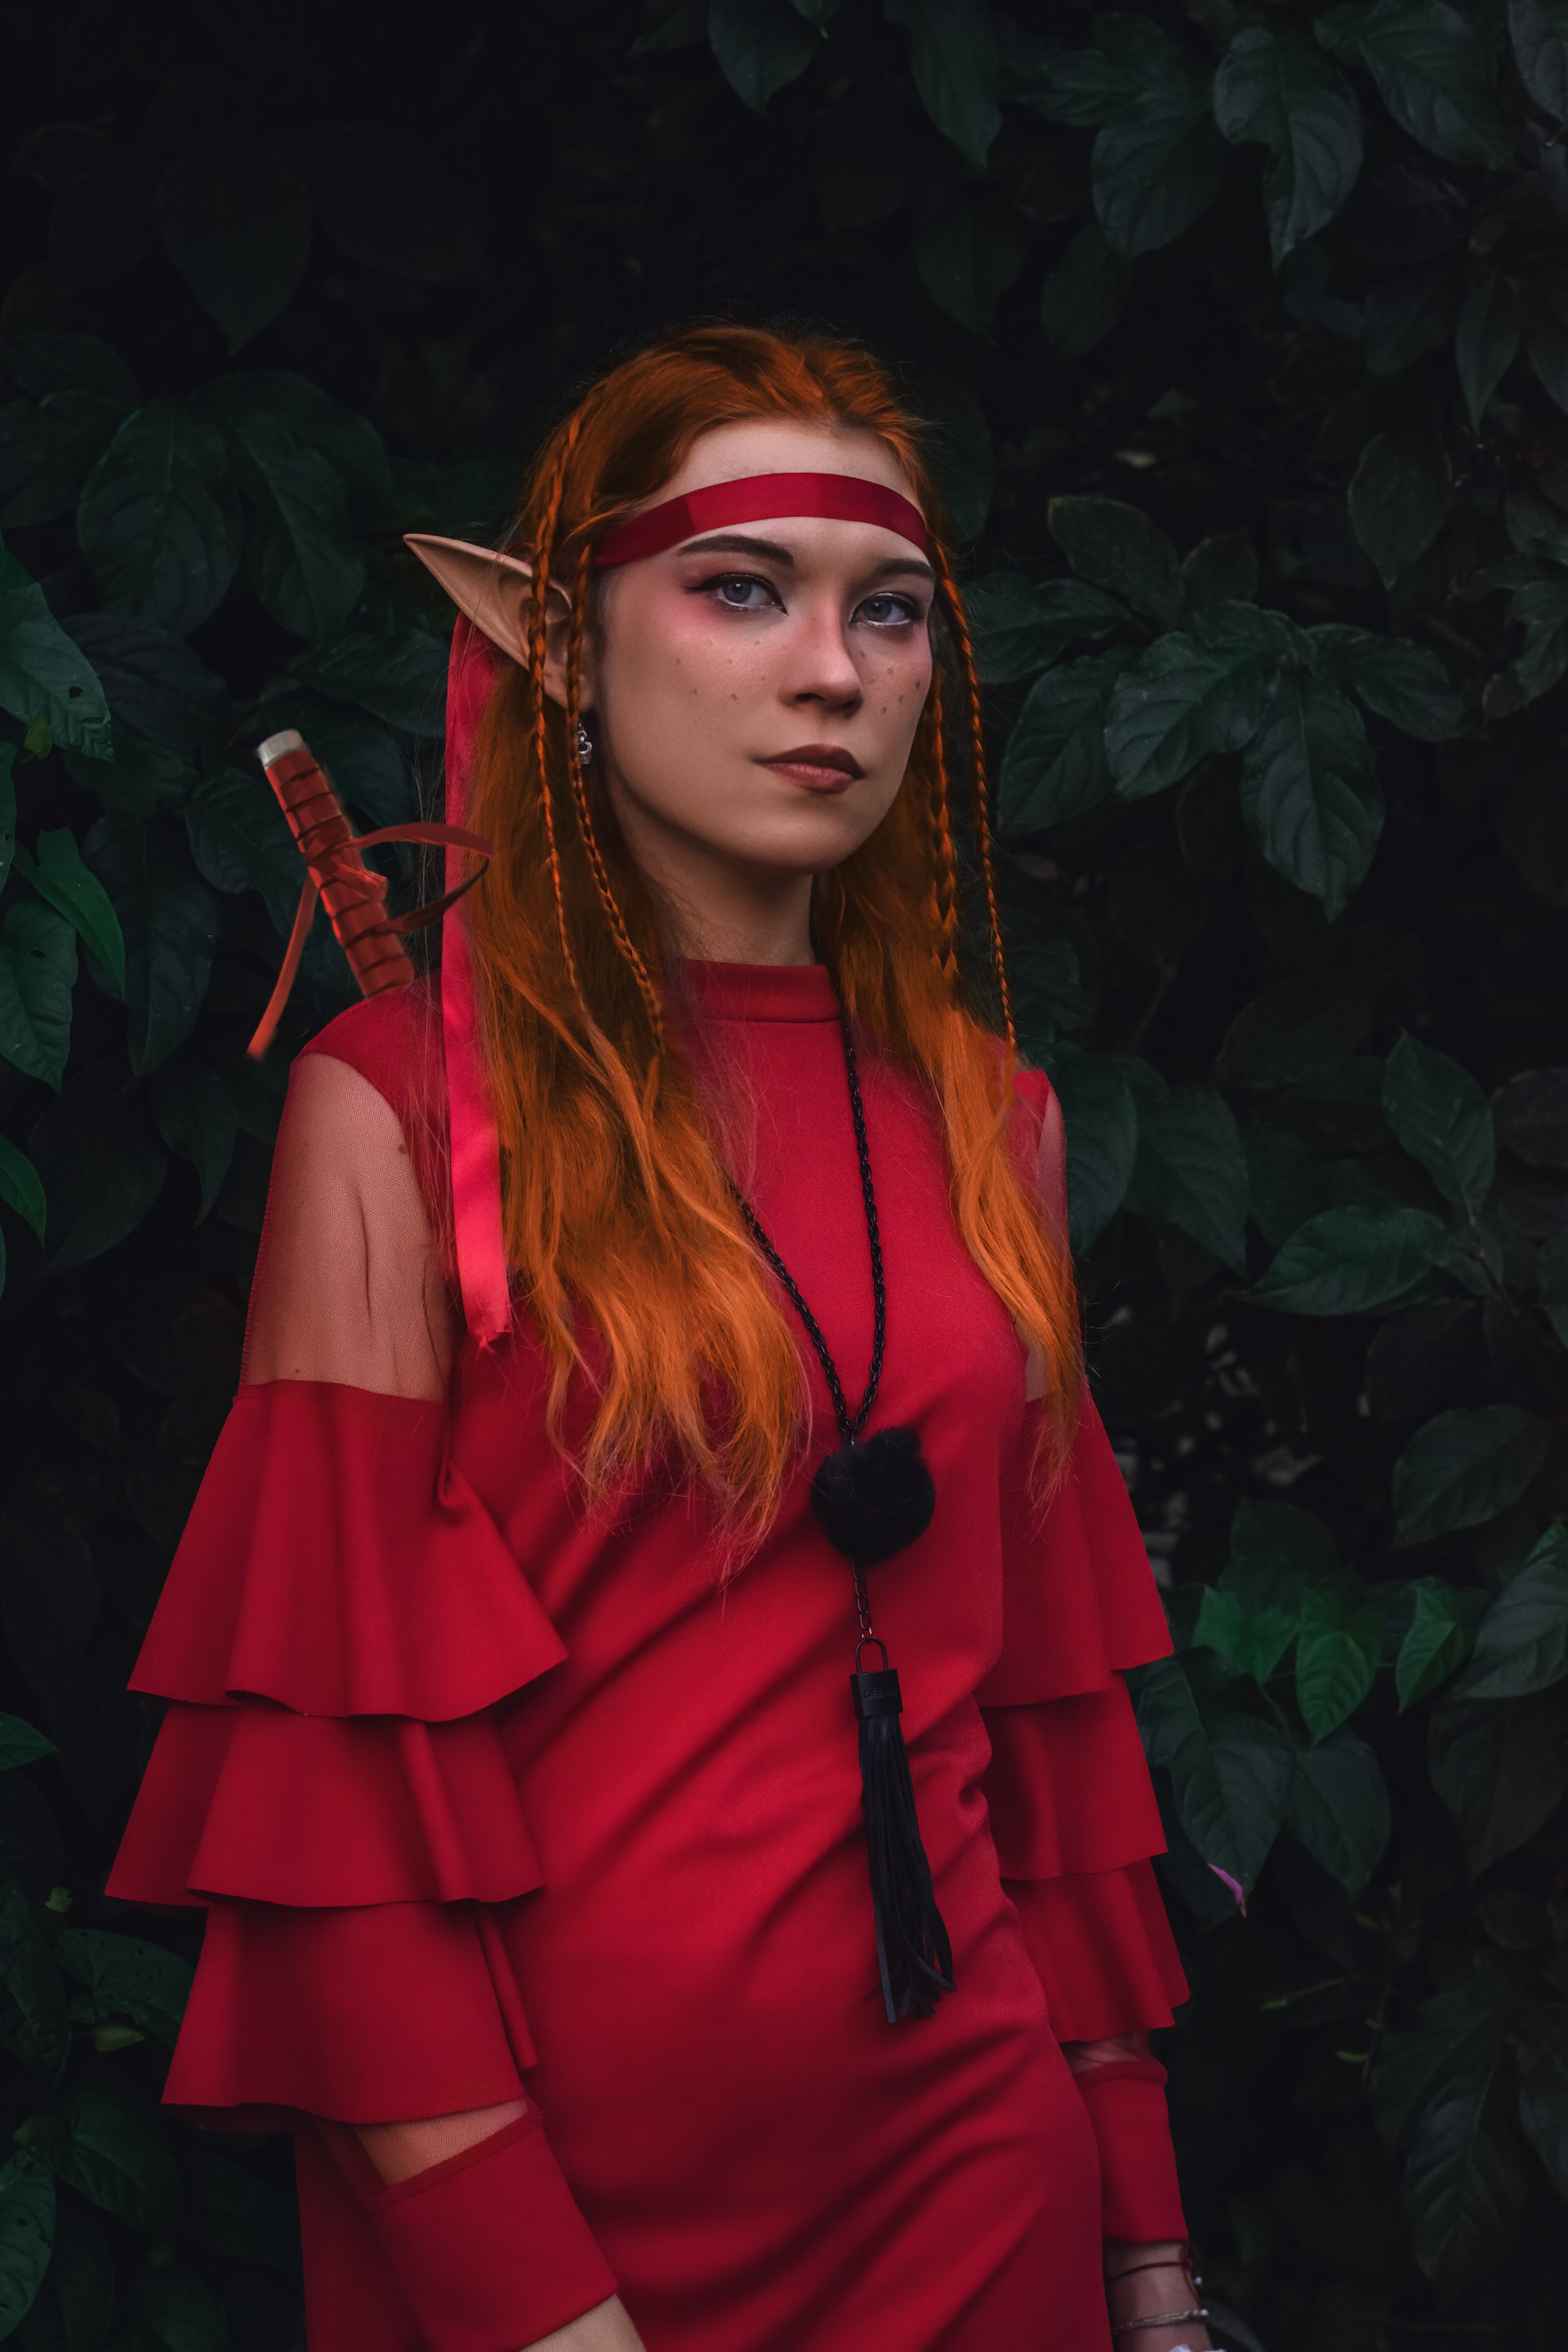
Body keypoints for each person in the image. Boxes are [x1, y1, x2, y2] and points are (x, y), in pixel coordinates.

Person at [108, 323, 1214, 2352]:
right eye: (742, 591)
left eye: (889, 612)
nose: (833, 673)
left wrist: (1144, 2253)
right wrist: (543, 2312)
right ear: (560, 645)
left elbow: (1050, 1723)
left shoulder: (998, 1122)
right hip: (557, 2232)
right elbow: (335, 1819)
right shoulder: (398, 1110)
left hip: (978, 2186)